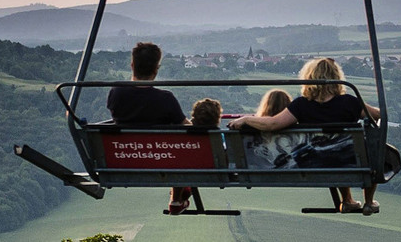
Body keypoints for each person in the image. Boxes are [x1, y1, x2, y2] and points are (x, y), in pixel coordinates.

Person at [228, 57, 381, 215]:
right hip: (348, 162)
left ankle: (347, 200)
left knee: (332, 153)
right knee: (371, 152)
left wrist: (246, 119)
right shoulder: (350, 102)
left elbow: (272, 124)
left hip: (312, 163)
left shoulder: (301, 105)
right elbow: (377, 115)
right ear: (336, 78)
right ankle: (368, 202)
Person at [106, 42, 192, 215]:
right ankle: (176, 197)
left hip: (124, 158)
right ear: (157, 68)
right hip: (163, 159)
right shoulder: (165, 99)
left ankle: (178, 196)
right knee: (181, 145)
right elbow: (189, 129)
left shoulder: (116, 92)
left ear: (132, 65)